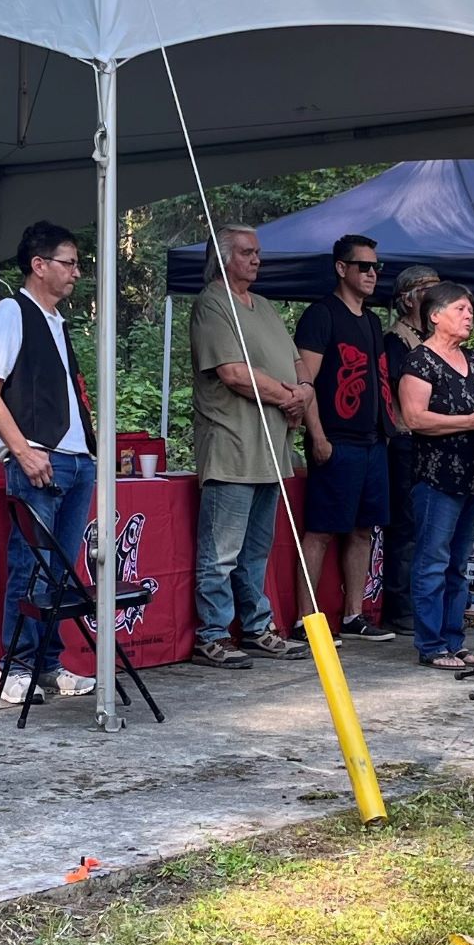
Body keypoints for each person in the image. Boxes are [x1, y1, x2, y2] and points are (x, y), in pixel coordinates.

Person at [0, 220, 101, 706]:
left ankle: (47, 665)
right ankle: (18, 668)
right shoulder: (12, 311)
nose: (75, 273)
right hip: (40, 459)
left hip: (75, 460)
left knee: (59, 574)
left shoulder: (56, 322)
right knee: (30, 566)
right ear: (39, 265)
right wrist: (22, 450)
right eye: (68, 263)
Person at [189, 224, 310, 669]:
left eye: (258, 252)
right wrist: (289, 396)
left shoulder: (264, 306)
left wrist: (305, 391)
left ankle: (257, 627)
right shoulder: (212, 304)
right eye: (246, 252)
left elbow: (297, 360)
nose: (256, 259)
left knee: (256, 550)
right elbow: (233, 373)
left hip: (271, 447)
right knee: (221, 553)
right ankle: (213, 634)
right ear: (222, 258)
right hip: (233, 445)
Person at [294, 233, 392, 641]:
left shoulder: (371, 320)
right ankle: (306, 620)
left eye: (376, 267)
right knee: (320, 530)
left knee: (363, 529)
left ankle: (353, 614)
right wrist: (316, 435)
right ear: (341, 268)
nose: (371, 274)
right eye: (363, 266)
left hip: (371, 440)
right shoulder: (322, 315)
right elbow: (305, 381)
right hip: (336, 439)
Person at [397, 282, 474, 670]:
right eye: (459, 309)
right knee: (432, 560)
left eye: (470, 309)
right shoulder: (419, 361)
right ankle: (431, 644)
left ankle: (455, 641)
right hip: (438, 476)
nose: (469, 315)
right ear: (435, 315)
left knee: (458, 562)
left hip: (473, 474)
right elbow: (415, 418)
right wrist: (469, 421)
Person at [377, 264, 440, 632]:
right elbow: (407, 386)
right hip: (405, 440)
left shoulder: (432, 340)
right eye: (429, 291)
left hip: (432, 441)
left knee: (429, 527)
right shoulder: (396, 340)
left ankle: (423, 604)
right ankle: (399, 606)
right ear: (410, 299)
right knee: (406, 527)